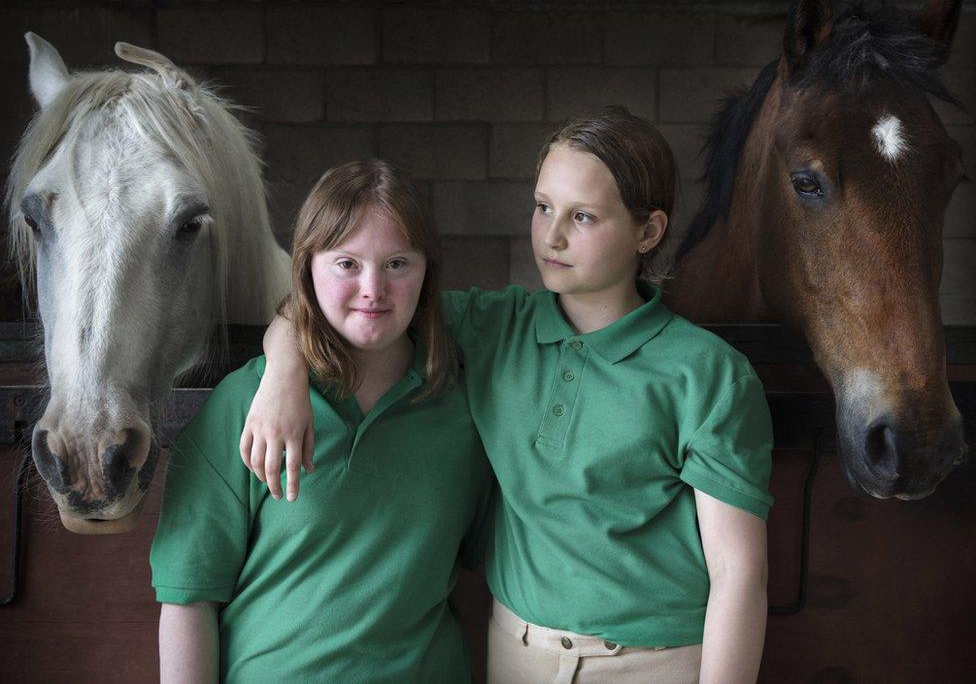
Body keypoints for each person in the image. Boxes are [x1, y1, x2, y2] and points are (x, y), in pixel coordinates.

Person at [244, 107, 773, 684]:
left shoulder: (709, 374)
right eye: (543, 206)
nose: (552, 235)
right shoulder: (493, 327)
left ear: (648, 232)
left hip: (655, 663)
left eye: (584, 217)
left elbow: (740, 573)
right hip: (516, 654)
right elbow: (335, 301)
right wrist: (282, 376)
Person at [150, 160, 494, 683]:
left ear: (427, 271)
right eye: (347, 264)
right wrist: (286, 365)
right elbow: (188, 599)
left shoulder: (466, 405)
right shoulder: (246, 402)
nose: (373, 289)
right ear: (308, 268)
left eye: (398, 263)